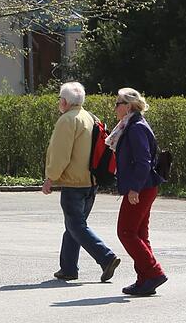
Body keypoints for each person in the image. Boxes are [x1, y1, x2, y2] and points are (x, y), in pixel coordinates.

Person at [42, 81, 121, 283]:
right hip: (91, 182)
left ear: (65, 101)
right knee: (74, 225)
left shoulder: (67, 120)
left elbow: (61, 154)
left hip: (74, 183)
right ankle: (68, 267)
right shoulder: (90, 118)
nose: (59, 102)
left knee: (76, 225)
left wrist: (50, 177)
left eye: (60, 99)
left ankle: (106, 257)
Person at [109, 88, 167, 296]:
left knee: (126, 232)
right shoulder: (131, 125)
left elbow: (143, 162)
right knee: (139, 234)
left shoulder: (135, 128)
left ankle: (153, 272)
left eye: (118, 103)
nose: (115, 107)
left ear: (129, 106)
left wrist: (134, 188)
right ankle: (145, 279)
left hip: (141, 187)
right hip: (144, 186)